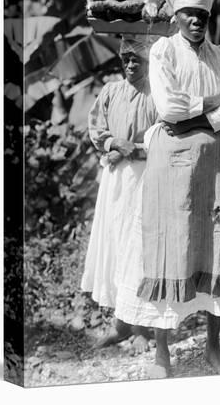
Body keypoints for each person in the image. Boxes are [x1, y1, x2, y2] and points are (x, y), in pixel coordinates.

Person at [135, 0, 220, 378]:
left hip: (218, 161)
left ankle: (213, 347)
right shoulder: (163, 50)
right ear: (175, 16)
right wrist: (209, 105)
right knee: (171, 242)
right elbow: (167, 106)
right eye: (189, 14)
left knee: (217, 244)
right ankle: (162, 354)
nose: (197, 21)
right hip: (173, 164)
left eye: (202, 15)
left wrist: (198, 115)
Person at [80, 36, 158, 351]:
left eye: (135, 60)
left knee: (138, 247)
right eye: (125, 60)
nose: (129, 65)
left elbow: (166, 134)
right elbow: (97, 128)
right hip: (115, 179)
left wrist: (132, 149)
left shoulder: (156, 93)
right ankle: (121, 324)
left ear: (148, 62)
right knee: (115, 243)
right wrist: (114, 144)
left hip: (144, 176)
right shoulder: (112, 90)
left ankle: (142, 326)